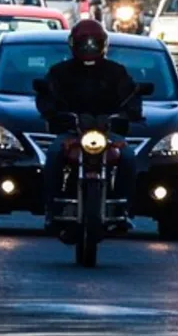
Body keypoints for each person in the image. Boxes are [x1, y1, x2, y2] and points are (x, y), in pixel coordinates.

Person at [35, 20, 142, 233]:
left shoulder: (117, 72)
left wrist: (128, 114)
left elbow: (132, 97)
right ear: (73, 44)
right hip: (72, 132)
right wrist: (56, 115)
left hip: (106, 132)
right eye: (84, 43)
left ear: (104, 44)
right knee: (54, 154)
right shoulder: (59, 72)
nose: (89, 48)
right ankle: (51, 207)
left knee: (128, 158)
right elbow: (46, 97)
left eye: (94, 43)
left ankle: (123, 209)